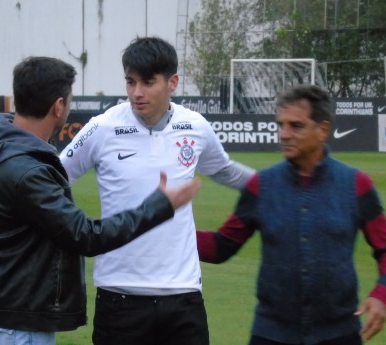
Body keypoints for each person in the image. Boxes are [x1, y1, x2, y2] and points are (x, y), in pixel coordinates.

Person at [0, 56, 201, 345]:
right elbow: (85, 236)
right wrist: (160, 205)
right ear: (58, 106)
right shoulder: (26, 171)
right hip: (17, 321)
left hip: (8, 312)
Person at [59, 36, 255, 345]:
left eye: (148, 83)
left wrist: (274, 183)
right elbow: (53, 177)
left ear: (172, 82)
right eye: (131, 82)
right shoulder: (102, 127)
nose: (137, 93)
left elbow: (224, 170)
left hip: (183, 296)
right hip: (119, 297)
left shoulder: (195, 126)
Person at [197, 84, 386, 345]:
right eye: (280, 125)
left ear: (323, 129)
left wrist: (382, 293)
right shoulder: (261, 186)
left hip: (339, 333)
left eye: (296, 126)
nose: (284, 134)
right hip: (271, 334)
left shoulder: (356, 185)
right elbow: (220, 247)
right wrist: (170, 232)